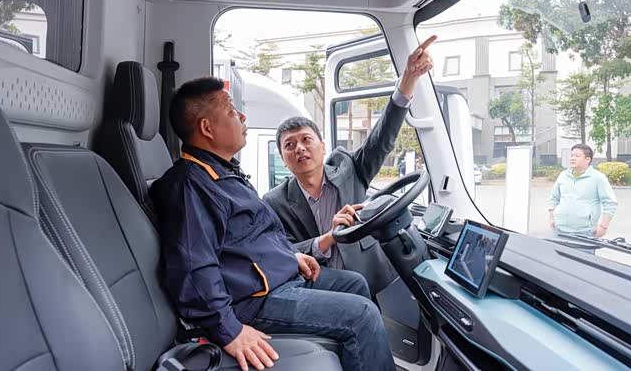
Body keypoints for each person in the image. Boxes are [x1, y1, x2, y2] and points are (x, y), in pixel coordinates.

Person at [150, 77, 394, 371]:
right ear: (207, 128)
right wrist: (229, 330)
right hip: (253, 300)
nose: (242, 117)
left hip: (278, 281)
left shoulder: (224, 174)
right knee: (363, 314)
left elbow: (248, 239)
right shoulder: (191, 185)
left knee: (355, 283)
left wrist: (292, 256)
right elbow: (193, 269)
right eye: (231, 111)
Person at [263, 36, 437, 296]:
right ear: (282, 157)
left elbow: (381, 140)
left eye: (306, 140)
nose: (299, 148)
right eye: (290, 145)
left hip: (370, 279)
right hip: (319, 288)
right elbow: (280, 252)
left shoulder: (348, 168)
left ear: (323, 147)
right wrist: (330, 237)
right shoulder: (274, 201)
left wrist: (408, 80)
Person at [547, 144, 618, 249]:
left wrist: (603, 226)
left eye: (577, 156)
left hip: (585, 232)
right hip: (559, 230)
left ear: (587, 159)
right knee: (558, 259)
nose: (572, 158)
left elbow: (610, 203)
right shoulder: (563, 176)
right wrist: (552, 217)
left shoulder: (598, 177)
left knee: (582, 260)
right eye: (572, 155)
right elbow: (554, 198)